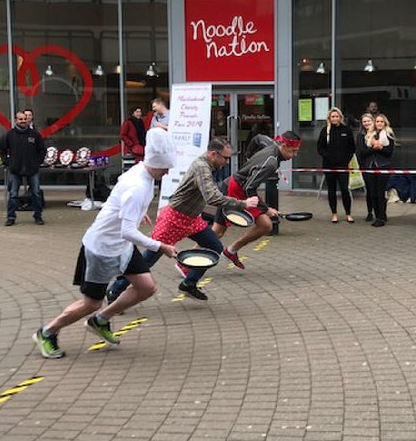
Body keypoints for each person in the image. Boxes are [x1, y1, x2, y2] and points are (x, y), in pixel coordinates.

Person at [32, 128, 178, 359]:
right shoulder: (137, 186)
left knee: (147, 287)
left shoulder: (143, 171)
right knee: (91, 303)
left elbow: (119, 200)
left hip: (122, 246)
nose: (168, 171)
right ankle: (47, 331)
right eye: (166, 167)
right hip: (101, 248)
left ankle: (100, 320)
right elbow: (128, 231)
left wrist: (137, 213)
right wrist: (160, 247)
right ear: (154, 162)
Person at [107, 137, 258, 303]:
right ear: (214, 154)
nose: (227, 162)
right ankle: (115, 291)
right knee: (149, 259)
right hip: (174, 219)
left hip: (191, 219)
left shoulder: (207, 165)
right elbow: (212, 197)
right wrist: (243, 204)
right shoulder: (202, 167)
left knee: (214, 247)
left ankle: (189, 283)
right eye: (225, 158)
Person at [217, 132, 302, 269]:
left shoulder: (271, 144)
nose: (295, 155)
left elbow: (258, 138)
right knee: (218, 232)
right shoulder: (271, 164)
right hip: (234, 189)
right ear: (284, 146)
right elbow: (248, 188)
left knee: (265, 225)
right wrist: (266, 209)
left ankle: (231, 250)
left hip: (242, 189)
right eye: (293, 151)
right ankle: (186, 262)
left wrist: (249, 157)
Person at [0, 111, 46, 226]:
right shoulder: (9, 135)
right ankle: (11, 217)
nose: (23, 121)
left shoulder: (35, 134)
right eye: (20, 119)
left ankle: (38, 216)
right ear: (16, 120)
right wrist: (8, 163)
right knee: (13, 194)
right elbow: (2, 150)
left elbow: (42, 150)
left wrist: (37, 162)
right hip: (15, 169)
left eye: (25, 119)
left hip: (32, 169)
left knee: (36, 193)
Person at [317, 107, 356, 223]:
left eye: (337, 116)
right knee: (331, 190)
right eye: (332, 116)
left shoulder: (346, 130)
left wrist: (346, 159)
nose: (335, 118)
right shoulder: (325, 131)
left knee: (345, 190)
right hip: (329, 166)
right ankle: (334, 214)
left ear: (340, 117)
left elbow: (352, 147)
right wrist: (328, 156)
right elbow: (320, 148)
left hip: (343, 166)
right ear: (329, 118)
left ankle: (348, 213)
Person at [357, 114, 395, 227]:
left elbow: (389, 152)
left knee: (380, 193)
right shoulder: (369, 135)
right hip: (370, 167)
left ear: (385, 123)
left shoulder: (389, 135)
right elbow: (363, 152)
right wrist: (374, 148)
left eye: (381, 121)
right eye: (377, 121)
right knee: (372, 193)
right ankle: (378, 214)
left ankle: (381, 217)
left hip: (383, 167)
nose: (379, 123)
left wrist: (381, 148)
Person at [355, 113, 375, 221]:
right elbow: (361, 151)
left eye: (368, 121)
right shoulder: (360, 135)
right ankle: (370, 212)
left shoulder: (378, 133)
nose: (366, 123)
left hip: (378, 166)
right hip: (366, 166)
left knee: (379, 191)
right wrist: (375, 148)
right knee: (370, 191)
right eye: (364, 121)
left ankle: (381, 213)